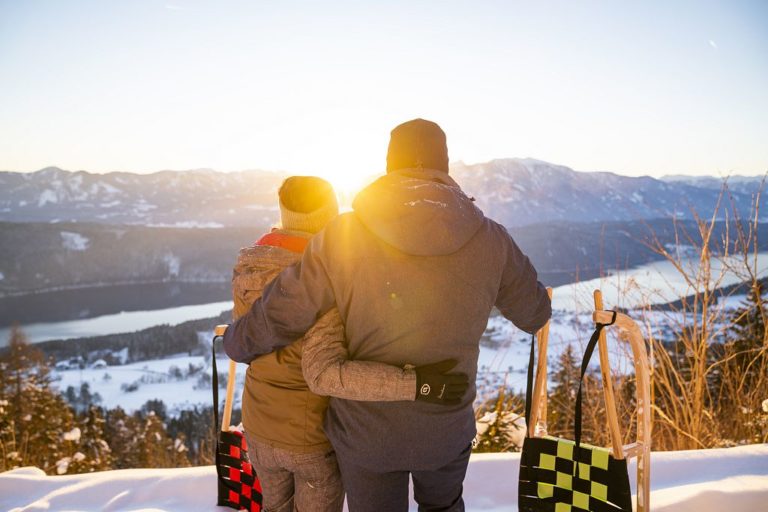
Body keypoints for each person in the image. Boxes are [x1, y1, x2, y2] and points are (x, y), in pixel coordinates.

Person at [224, 119, 552, 512]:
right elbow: (534, 313)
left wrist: (237, 342)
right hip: (445, 426)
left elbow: (284, 312)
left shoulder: (344, 235)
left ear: (388, 166)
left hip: (366, 436)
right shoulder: (492, 239)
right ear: (444, 167)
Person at [231, 175, 468, 512]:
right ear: (328, 214)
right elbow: (324, 374)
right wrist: (417, 384)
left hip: (258, 425)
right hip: (309, 438)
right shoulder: (323, 279)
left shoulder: (250, 267)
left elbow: (252, 341)